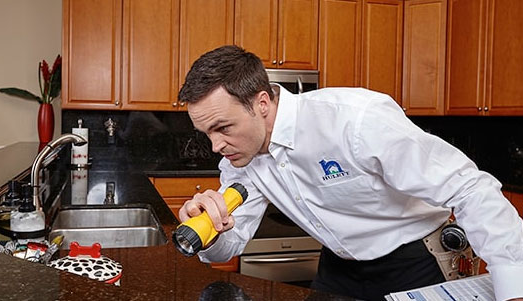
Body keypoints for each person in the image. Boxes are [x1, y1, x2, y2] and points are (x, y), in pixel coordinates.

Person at [177, 45, 523, 301]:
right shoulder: (242, 157)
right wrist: (213, 229)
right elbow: (228, 248)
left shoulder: (355, 120)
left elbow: (468, 188)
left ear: (262, 103)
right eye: (206, 133)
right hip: (338, 267)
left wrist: (514, 286)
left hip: (418, 260)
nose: (215, 146)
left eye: (222, 127)